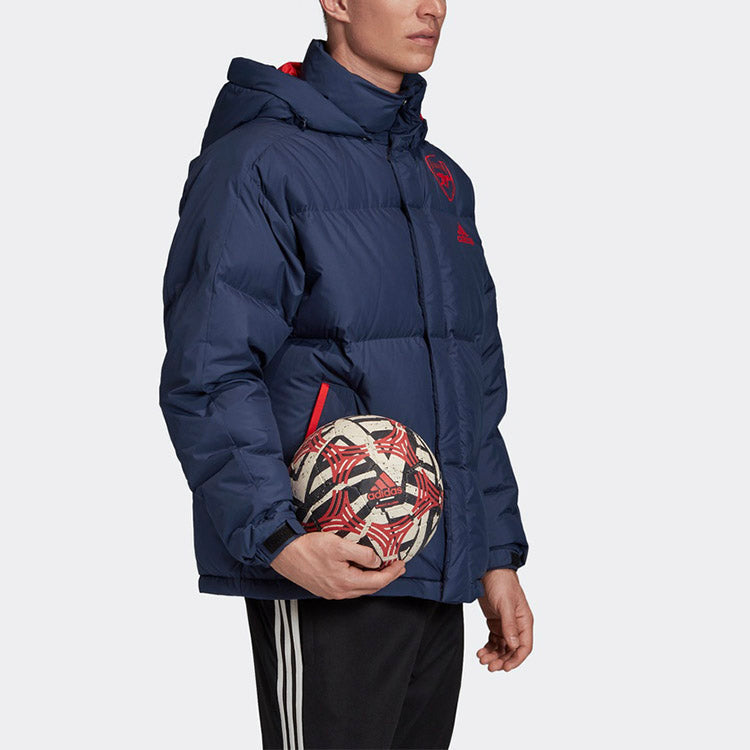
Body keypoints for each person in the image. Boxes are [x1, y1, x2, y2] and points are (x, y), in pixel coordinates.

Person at [159, 1, 533, 747]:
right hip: (324, 552)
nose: (431, 8)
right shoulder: (260, 162)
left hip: (432, 558)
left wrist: (494, 554)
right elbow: (210, 367)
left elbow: (474, 385)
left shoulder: (440, 180)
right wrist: (278, 538)